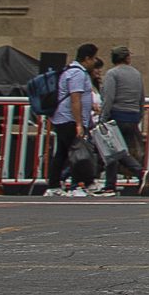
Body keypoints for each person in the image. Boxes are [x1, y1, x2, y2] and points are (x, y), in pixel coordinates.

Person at [43, 43, 101, 197]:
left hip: (63, 119)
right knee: (78, 153)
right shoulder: (78, 74)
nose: (95, 62)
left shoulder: (71, 71)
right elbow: (75, 99)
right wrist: (79, 124)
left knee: (62, 153)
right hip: (69, 119)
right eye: (94, 58)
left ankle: (54, 185)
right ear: (87, 58)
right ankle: (78, 185)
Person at [99, 46, 147, 193]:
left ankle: (138, 173)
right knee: (120, 150)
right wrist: (138, 115)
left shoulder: (112, 74)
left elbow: (109, 98)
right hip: (132, 116)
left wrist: (103, 118)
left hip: (117, 115)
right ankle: (111, 185)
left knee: (113, 151)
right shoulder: (137, 74)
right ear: (127, 58)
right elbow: (141, 98)